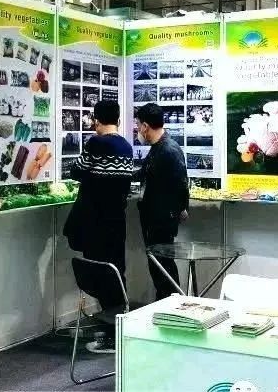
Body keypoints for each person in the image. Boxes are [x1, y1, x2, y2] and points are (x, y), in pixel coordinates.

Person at [63, 100, 133, 351]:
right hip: (117, 221)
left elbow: (76, 171)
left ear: (96, 120)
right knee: (116, 272)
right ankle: (119, 329)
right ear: (118, 119)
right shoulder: (126, 146)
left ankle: (111, 335)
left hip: (95, 222)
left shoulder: (96, 143)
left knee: (100, 275)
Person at [134, 103, 189, 301]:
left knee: (163, 267)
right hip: (153, 217)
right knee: (157, 266)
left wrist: (181, 208)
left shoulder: (169, 149)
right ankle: (165, 302)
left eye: (138, 125)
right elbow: (143, 173)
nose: (138, 130)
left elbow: (182, 183)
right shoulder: (157, 148)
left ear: (145, 126)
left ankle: (173, 304)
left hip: (161, 219)